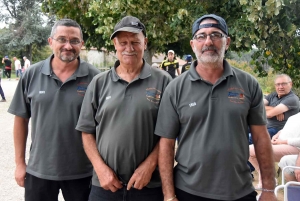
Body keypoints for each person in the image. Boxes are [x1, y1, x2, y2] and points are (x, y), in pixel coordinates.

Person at [155, 14, 277, 201]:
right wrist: (169, 196)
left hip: (239, 191)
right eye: (201, 36)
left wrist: (268, 190)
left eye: (216, 35)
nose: (208, 41)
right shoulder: (175, 88)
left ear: (227, 42)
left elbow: (261, 138)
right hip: (188, 191)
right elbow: (166, 144)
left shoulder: (248, 84)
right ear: (193, 44)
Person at [76, 16, 172, 201]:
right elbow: (86, 132)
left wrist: (151, 165)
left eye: (135, 42)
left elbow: (170, 133)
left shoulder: (164, 81)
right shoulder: (99, 83)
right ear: (115, 44)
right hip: (105, 185)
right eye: (123, 42)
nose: (129, 48)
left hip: (149, 184)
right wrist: (100, 169)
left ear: (145, 43)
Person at [8, 19, 100, 201]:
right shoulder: (31, 75)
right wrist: (19, 163)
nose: (68, 45)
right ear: (51, 42)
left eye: (74, 41)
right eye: (62, 39)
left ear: (81, 44)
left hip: (83, 171)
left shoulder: (95, 78)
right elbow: (21, 120)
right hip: (39, 170)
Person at [249, 112, 300, 188]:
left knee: (252, 150)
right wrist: (277, 135)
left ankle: (268, 180)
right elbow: (286, 129)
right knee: (250, 150)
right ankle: (267, 179)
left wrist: (282, 142)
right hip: (280, 143)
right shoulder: (296, 115)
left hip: (294, 147)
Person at [249, 74, 299, 144]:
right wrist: (274, 108)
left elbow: (269, 114)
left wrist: (268, 111)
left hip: (277, 130)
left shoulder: (292, 99)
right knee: (238, 129)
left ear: (290, 84)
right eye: (278, 84)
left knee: (248, 138)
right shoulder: (273, 95)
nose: (280, 87)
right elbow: (256, 105)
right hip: (262, 125)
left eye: (283, 84)